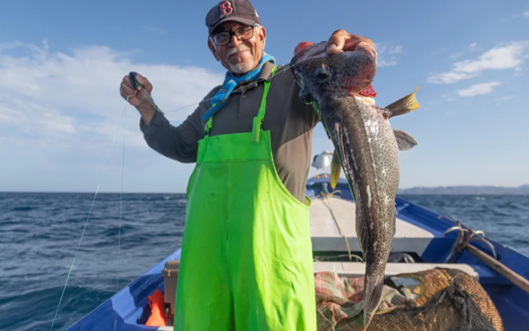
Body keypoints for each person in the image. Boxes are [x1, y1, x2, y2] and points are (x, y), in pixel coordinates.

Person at [119, 1, 375, 329]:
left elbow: (354, 70)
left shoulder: (297, 80)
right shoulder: (214, 100)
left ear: (262, 36)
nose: (235, 42)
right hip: (209, 272)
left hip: (273, 269)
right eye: (223, 37)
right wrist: (144, 105)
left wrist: (358, 44)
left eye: (244, 31)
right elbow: (182, 146)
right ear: (214, 50)